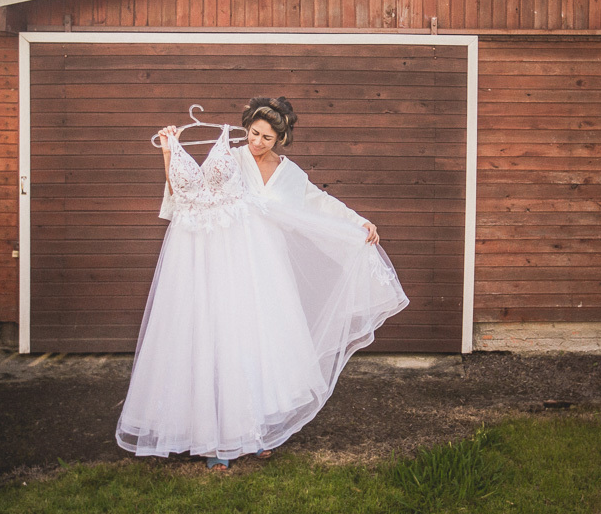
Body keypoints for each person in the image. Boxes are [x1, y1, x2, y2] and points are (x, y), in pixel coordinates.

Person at [115, 96, 407, 470]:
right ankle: (216, 439)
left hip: (269, 272)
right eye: (253, 133)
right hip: (227, 267)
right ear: (246, 129)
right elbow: (187, 198)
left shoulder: (290, 174)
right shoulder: (231, 158)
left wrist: (358, 222)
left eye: (267, 137)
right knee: (223, 346)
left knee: (260, 350)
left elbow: (320, 203)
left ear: (280, 139)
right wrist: (169, 154)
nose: (257, 142)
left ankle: (256, 432)